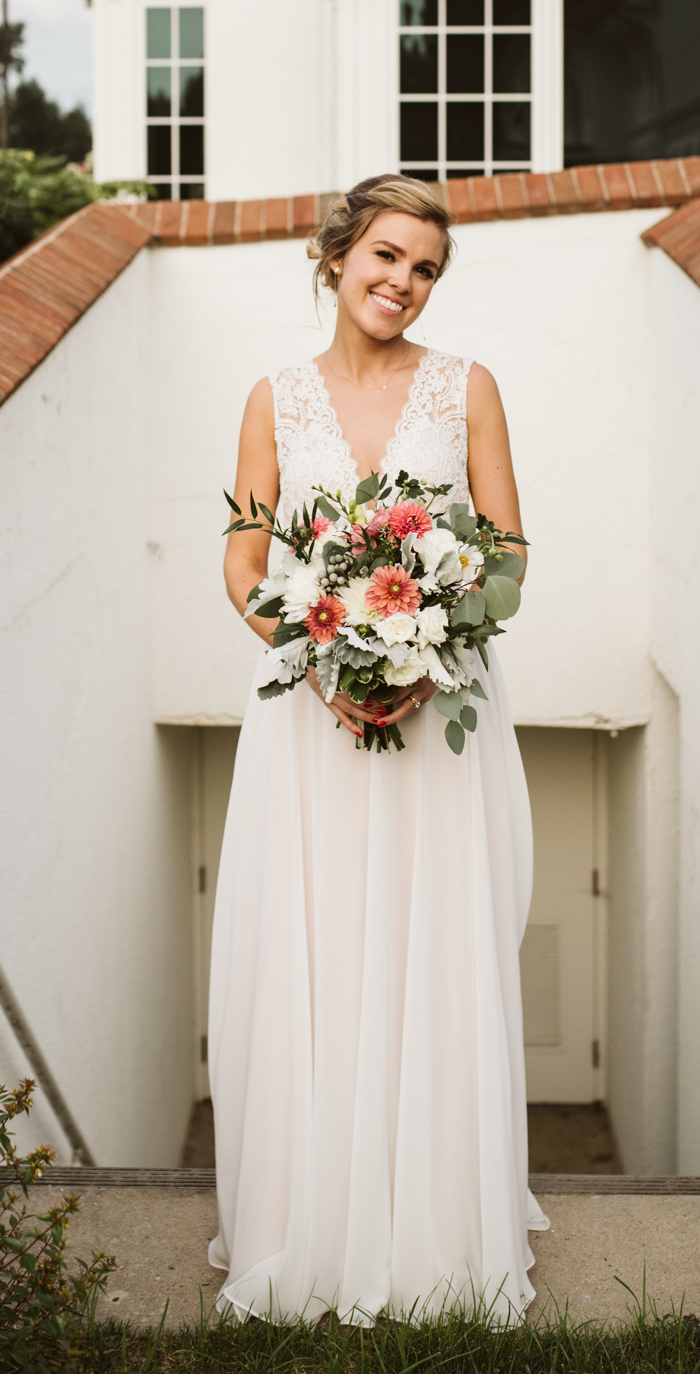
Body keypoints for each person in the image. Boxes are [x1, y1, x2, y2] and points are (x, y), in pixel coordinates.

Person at [210, 174, 546, 1324]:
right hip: (306, 717)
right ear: (338, 253)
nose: (404, 282)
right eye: (388, 256)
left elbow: (503, 554)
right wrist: (322, 654)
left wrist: (417, 652)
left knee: (431, 943)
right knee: (319, 940)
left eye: (427, 269)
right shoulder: (273, 397)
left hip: (437, 712)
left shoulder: (468, 390)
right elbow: (245, 563)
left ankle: (439, 1227)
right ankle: (308, 1215)